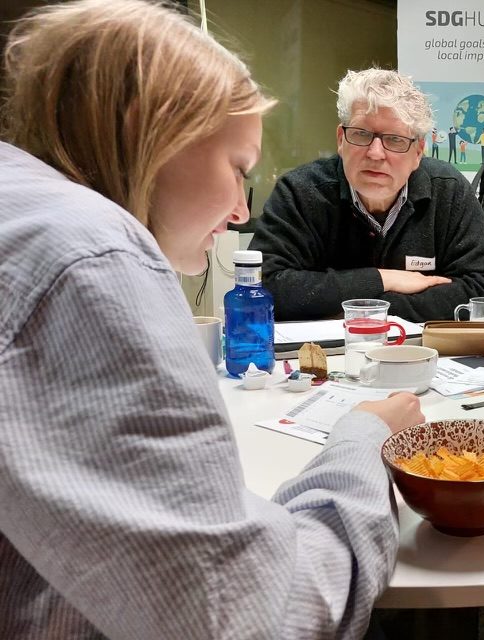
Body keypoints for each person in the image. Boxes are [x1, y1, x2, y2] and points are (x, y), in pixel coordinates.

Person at [0, 1, 424, 639]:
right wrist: (360, 441)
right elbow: (258, 618)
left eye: (396, 141)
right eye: (237, 170)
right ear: (154, 126)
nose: (235, 211)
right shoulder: (93, 255)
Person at [249, 68, 484, 323]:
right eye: (361, 134)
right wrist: (382, 278)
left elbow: (483, 295)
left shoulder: (448, 190)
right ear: (340, 139)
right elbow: (263, 287)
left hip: (420, 354)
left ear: (418, 152)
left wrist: (366, 308)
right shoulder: (300, 192)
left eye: (394, 140)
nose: (375, 153)